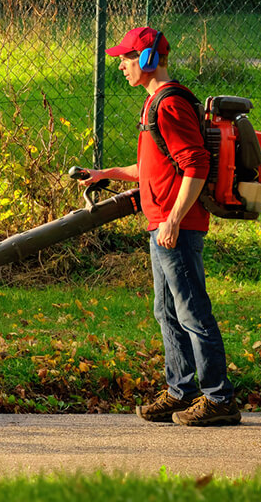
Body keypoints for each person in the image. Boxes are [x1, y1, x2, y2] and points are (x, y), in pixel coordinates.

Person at [79, 26, 240, 426]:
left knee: (192, 312)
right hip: (164, 224)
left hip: (176, 227)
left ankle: (219, 398)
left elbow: (196, 165)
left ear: (148, 59)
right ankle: (180, 391)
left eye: (127, 58)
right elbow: (155, 166)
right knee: (166, 312)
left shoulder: (168, 105)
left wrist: (173, 219)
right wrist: (107, 172)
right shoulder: (155, 105)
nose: (121, 66)